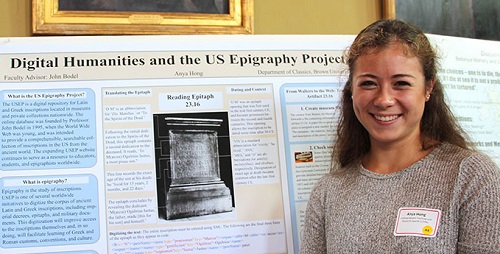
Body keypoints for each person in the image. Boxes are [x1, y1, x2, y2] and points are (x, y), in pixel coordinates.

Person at [300, 19, 500, 253]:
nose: (384, 99)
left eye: (401, 83)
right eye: (368, 83)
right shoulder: (328, 192)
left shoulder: (470, 177)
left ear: (428, 88)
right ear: (351, 91)